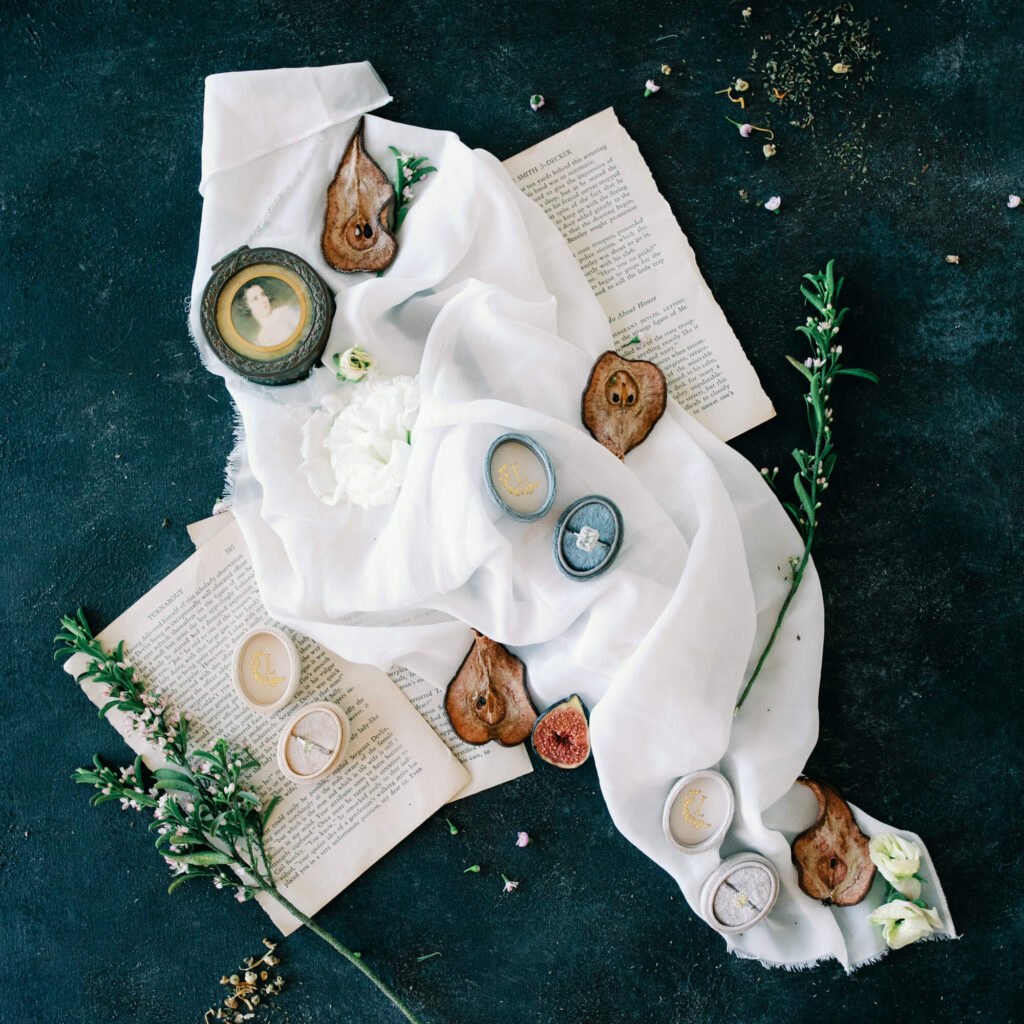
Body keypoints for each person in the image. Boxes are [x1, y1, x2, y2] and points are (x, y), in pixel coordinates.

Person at [236, 280, 300, 347]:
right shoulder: (261, 339)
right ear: (246, 306)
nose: (263, 300)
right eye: (255, 299)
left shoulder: (284, 313)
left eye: (263, 294)